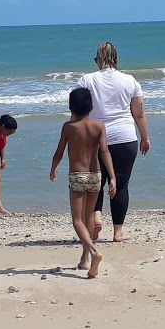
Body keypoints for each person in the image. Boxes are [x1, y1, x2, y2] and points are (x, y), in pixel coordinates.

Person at [78, 41, 150, 244]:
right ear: (116, 60)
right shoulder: (130, 81)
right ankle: (118, 232)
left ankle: (97, 217)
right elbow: (139, 114)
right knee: (121, 184)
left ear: (97, 60)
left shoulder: (86, 80)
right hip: (125, 137)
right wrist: (144, 137)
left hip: (94, 138)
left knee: (95, 182)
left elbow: (77, 110)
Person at [49, 86, 116, 278]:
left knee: (77, 220)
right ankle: (85, 260)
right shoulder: (98, 126)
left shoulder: (68, 127)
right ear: (90, 107)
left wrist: (53, 168)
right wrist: (112, 177)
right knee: (88, 217)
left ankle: (94, 252)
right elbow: (104, 152)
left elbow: (60, 151)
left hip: (77, 175)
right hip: (96, 175)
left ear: (71, 107)